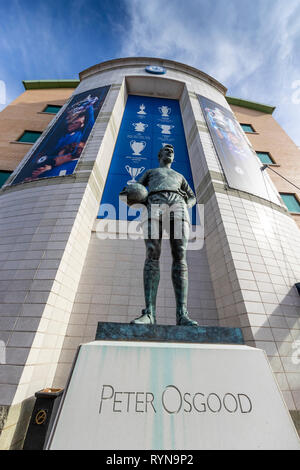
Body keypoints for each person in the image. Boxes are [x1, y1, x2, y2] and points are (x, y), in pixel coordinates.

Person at [130, 144, 198, 326]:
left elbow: (192, 197)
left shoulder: (179, 176)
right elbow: (136, 189)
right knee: (152, 251)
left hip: (178, 205)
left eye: (172, 151)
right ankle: (149, 312)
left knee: (180, 253)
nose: (170, 152)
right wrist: (133, 195)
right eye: (166, 150)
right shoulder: (151, 172)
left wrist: (186, 204)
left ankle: (182, 314)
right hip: (154, 203)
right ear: (160, 155)